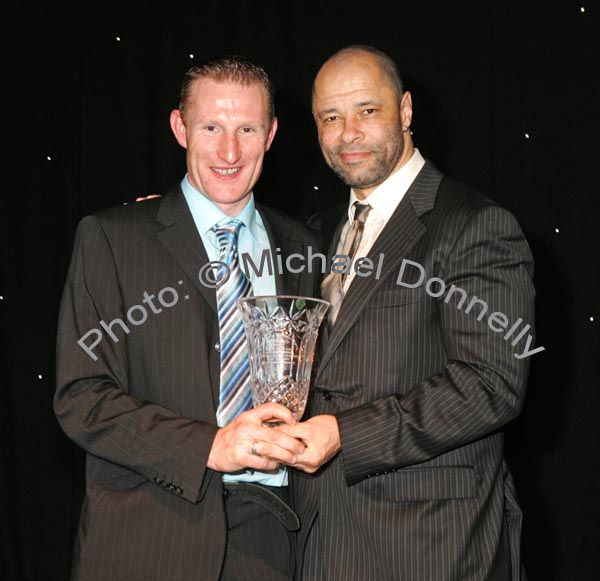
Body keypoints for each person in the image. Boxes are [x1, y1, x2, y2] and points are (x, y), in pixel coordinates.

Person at [54, 55, 319, 581]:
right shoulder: (112, 238)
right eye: (211, 127)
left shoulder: (305, 246)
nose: (229, 150)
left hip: (272, 542)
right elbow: (81, 397)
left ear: (270, 135)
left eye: (246, 128)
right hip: (146, 537)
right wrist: (212, 447)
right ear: (180, 127)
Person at [280, 45, 537, 580]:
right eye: (330, 117)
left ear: (406, 111)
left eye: (367, 111)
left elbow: (492, 383)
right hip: (321, 538)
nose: (348, 132)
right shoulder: (318, 228)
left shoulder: (475, 224)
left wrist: (346, 435)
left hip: (433, 547)